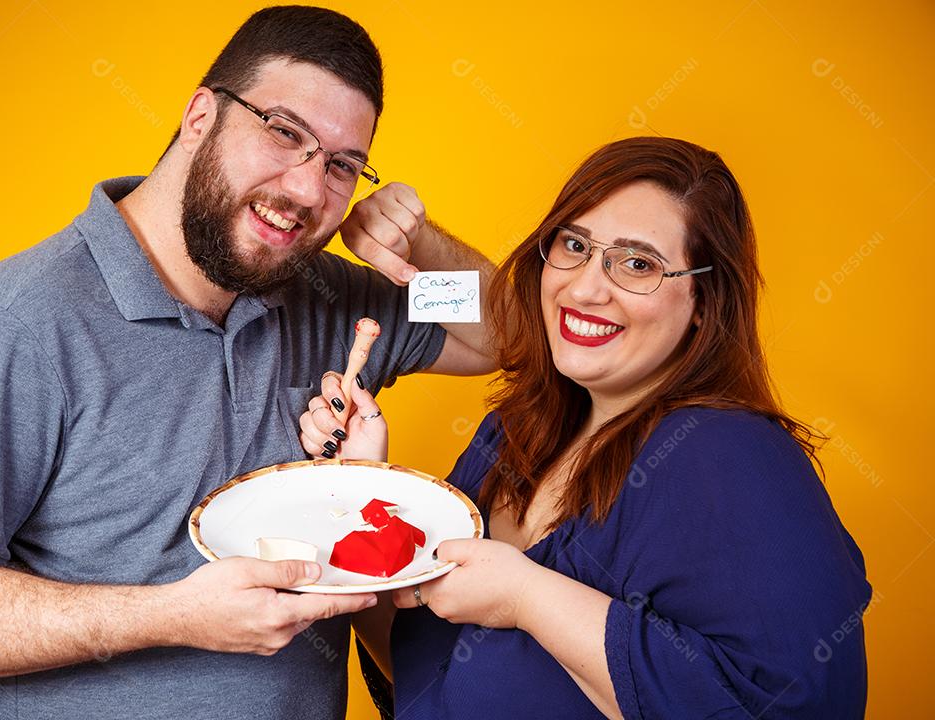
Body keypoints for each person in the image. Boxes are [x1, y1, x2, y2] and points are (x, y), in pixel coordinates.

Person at [0, 7, 500, 719]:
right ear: (201, 115)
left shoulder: (319, 289)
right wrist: (169, 615)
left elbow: (508, 338)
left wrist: (423, 248)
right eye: (286, 132)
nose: (309, 190)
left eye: (343, 165)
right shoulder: (19, 321)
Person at [301, 137, 871, 719]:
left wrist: (527, 597)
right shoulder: (511, 434)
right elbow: (427, 678)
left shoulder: (733, 457)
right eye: (575, 245)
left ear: (705, 299)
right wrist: (364, 487)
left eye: (638, 264)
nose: (584, 288)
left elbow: (801, 702)